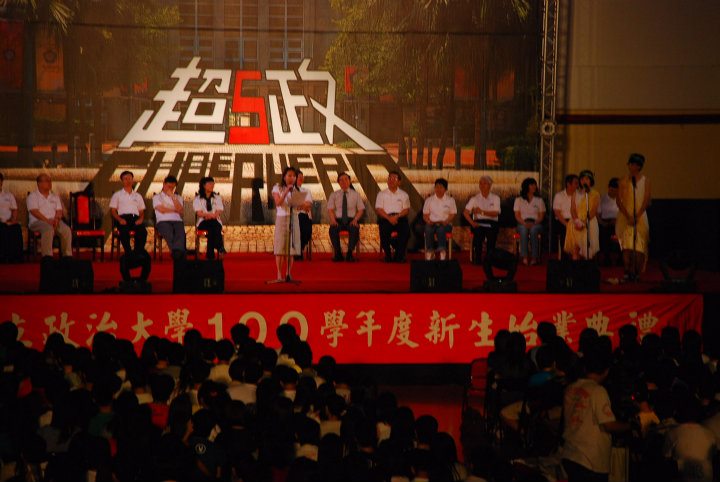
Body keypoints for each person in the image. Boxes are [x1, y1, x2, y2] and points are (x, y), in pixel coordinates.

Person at [562, 348, 629, 482]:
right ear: (606, 371)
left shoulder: (570, 388)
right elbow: (608, 425)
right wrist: (630, 425)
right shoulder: (598, 391)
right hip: (590, 459)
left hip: (570, 453)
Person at [616, 153, 651, 279]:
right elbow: (618, 200)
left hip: (640, 216)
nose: (630, 166)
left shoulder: (645, 181)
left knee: (640, 245)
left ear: (638, 166)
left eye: (633, 164)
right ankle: (627, 270)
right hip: (625, 215)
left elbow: (646, 199)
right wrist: (628, 215)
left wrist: (637, 215)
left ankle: (637, 271)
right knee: (627, 245)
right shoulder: (623, 180)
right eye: (629, 164)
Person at [272, 166, 311, 279]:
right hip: (282, 218)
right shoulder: (277, 188)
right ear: (284, 177)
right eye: (289, 175)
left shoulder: (298, 190)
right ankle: (279, 274)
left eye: (294, 176)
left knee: (291, 248)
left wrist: (302, 205)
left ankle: (288, 273)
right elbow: (278, 203)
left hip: (294, 218)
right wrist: (285, 192)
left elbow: (305, 206)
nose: (292, 178)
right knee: (280, 248)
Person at [26, 173, 72, 259]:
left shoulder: (55, 196)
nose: (50, 183)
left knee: (66, 230)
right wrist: (48, 221)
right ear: (39, 183)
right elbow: (34, 211)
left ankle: (67, 256)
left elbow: (59, 211)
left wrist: (56, 219)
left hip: (54, 221)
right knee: (48, 228)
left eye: (50, 181)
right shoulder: (32, 196)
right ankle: (47, 258)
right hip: (38, 222)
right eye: (47, 181)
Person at [463, 175, 501, 265]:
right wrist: (472, 223)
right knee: (478, 234)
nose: (482, 185)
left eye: (485, 183)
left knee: (491, 235)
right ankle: (478, 258)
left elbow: (496, 213)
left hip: (492, 222)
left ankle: (489, 258)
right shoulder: (474, 198)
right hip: (479, 223)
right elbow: (465, 212)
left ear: (490, 185)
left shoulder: (496, 198)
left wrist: (482, 212)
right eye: (480, 183)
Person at [327, 172, 364, 262]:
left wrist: (355, 220)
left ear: (350, 181)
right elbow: (330, 209)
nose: (344, 181)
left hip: (351, 220)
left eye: (346, 179)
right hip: (338, 220)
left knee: (354, 229)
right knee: (332, 229)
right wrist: (333, 220)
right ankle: (338, 254)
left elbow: (361, 209)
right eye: (341, 180)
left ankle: (349, 254)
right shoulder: (334, 194)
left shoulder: (356, 194)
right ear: (338, 182)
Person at [375, 170, 410, 263]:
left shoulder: (404, 194)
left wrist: (397, 216)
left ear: (399, 182)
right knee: (384, 232)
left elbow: (406, 210)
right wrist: (389, 218)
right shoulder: (381, 194)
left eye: (394, 179)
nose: (391, 180)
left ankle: (399, 255)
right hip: (386, 218)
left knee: (406, 232)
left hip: (400, 218)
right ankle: (388, 255)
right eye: (389, 178)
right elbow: (379, 209)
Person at [564, 169, 600, 260]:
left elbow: (593, 211)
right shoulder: (575, 193)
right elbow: (572, 209)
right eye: (582, 179)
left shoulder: (595, 194)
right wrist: (577, 221)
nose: (584, 181)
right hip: (576, 222)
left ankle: (587, 267)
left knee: (588, 250)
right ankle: (576, 267)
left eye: (587, 179)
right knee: (575, 249)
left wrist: (583, 222)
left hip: (589, 222)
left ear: (591, 180)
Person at [109, 170, 148, 254]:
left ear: (132, 180)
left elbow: (141, 211)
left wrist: (141, 219)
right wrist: (119, 219)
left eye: (130, 178)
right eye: (125, 179)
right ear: (122, 181)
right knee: (124, 231)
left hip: (135, 218)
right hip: (123, 218)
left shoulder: (138, 195)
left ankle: (138, 252)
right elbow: (113, 211)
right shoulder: (117, 195)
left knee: (143, 232)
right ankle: (128, 253)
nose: (128, 181)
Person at [513, 177, 545, 266]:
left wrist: (533, 223)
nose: (534, 186)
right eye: (532, 185)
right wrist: (524, 223)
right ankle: (525, 257)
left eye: (535, 185)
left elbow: (541, 216)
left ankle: (534, 257)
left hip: (536, 223)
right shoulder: (519, 200)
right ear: (526, 186)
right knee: (523, 230)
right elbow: (517, 215)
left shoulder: (539, 200)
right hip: (522, 222)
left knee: (534, 230)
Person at [153, 175, 186, 260]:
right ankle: (179, 254)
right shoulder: (157, 197)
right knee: (169, 233)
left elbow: (180, 210)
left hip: (177, 220)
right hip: (163, 221)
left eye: (172, 187)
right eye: (169, 186)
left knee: (180, 234)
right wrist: (174, 210)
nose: (170, 189)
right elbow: (161, 209)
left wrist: (173, 197)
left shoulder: (178, 197)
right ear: (164, 184)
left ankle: (176, 253)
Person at [423, 178, 456, 261]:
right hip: (432, 223)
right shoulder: (429, 200)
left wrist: (446, 221)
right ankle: (430, 251)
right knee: (428, 228)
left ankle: (442, 251)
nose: (438, 189)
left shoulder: (450, 200)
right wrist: (428, 221)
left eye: (441, 187)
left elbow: (453, 214)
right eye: (437, 187)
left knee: (441, 229)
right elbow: (425, 215)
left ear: (445, 189)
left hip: (445, 224)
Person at [193, 176, 225, 260]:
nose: (212, 185)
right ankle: (219, 246)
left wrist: (212, 216)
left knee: (212, 229)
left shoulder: (217, 197)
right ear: (204, 185)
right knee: (214, 228)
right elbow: (199, 213)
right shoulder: (198, 198)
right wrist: (208, 215)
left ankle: (210, 255)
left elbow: (219, 210)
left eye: (213, 183)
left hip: (215, 220)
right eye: (210, 183)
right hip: (203, 222)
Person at [553, 174, 580, 257]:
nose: (578, 185)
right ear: (568, 184)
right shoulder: (559, 195)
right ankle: (565, 257)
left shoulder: (580, 196)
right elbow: (557, 212)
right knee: (565, 232)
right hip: (562, 221)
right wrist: (566, 224)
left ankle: (578, 257)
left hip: (576, 220)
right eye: (576, 183)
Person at [0, 173, 23, 263]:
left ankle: (15, 258)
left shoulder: (9, 195)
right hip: (0, 222)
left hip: (8, 221)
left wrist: (12, 221)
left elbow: (14, 210)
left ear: (2, 182)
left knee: (16, 228)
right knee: (2, 228)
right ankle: (3, 257)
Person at [598, 177, 620, 266]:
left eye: (616, 190)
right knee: (604, 233)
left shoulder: (621, 199)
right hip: (605, 223)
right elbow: (598, 214)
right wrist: (604, 223)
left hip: (618, 222)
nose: (614, 192)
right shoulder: (602, 199)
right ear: (609, 188)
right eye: (612, 189)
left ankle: (620, 258)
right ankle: (606, 257)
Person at [295, 170, 313, 260]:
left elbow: (308, 205)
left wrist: (298, 205)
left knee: (302, 221)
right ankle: (297, 250)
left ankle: (299, 249)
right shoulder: (287, 191)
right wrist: (302, 204)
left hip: (304, 216)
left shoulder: (306, 191)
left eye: (302, 178)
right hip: (291, 216)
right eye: (299, 177)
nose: (301, 179)